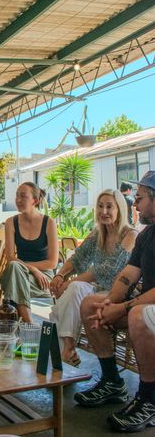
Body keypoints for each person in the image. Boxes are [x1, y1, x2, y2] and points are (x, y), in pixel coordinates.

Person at [74, 171, 155, 433]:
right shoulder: (146, 236)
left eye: (140, 198)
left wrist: (122, 307)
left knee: (138, 315)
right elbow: (127, 276)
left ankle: (149, 399)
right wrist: (109, 304)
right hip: (147, 304)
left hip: (147, 308)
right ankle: (112, 382)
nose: (135, 204)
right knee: (90, 305)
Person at [50, 189, 136, 366]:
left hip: (119, 293)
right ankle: (68, 347)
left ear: (119, 209)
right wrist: (60, 275)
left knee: (69, 294)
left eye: (109, 207)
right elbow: (78, 257)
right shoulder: (98, 233)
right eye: (100, 206)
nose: (103, 211)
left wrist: (70, 281)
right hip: (97, 289)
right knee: (75, 289)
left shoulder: (130, 235)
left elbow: (109, 270)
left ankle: (61, 356)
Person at [0, 182, 58, 322]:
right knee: (14, 268)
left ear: (35, 200)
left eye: (23, 196)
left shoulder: (49, 223)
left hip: (43, 279)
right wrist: (32, 269)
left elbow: (52, 262)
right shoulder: (10, 223)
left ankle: (15, 322)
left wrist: (35, 271)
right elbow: (10, 258)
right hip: (21, 273)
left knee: (12, 278)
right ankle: (28, 322)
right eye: (17, 196)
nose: (18, 200)